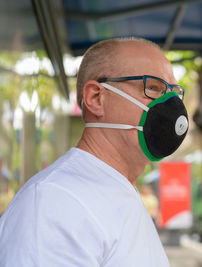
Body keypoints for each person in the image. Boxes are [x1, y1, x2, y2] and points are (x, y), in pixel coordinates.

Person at [0, 38, 189, 266]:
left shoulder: (121, 191)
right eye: (153, 88)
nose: (171, 105)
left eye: (174, 92)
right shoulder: (55, 202)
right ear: (96, 98)